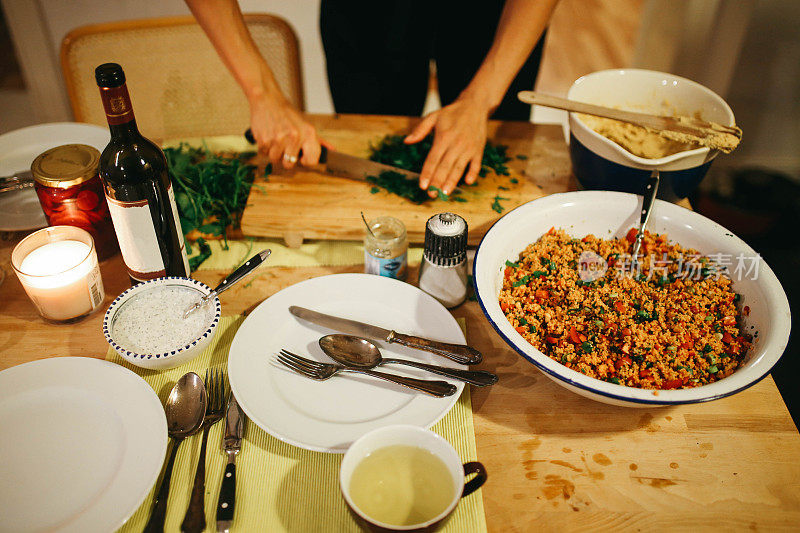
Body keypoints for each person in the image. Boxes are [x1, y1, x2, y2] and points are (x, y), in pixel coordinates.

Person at [186, 0, 558, 197]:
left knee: (496, 155)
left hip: (491, 11)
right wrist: (261, 93)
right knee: (368, 128)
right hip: (368, 12)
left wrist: (480, 101)